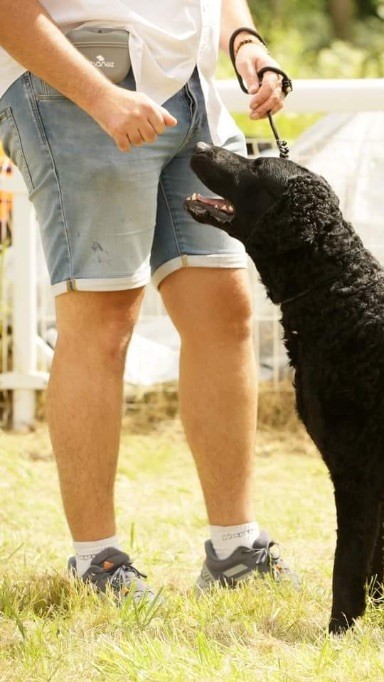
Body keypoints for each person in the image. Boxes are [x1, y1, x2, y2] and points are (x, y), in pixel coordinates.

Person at [0, 1, 297, 599]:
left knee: (226, 310)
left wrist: (244, 43)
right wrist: (100, 98)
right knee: (104, 319)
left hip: (191, 93)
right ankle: (97, 562)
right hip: (77, 87)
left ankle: (236, 548)